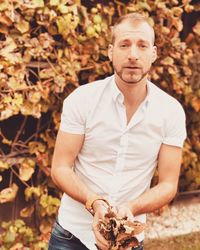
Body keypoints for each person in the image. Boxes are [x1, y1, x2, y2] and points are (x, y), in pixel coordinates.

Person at [48, 13, 187, 250]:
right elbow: (60, 168)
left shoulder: (171, 112)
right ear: (111, 52)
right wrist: (95, 202)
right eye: (124, 45)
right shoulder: (82, 100)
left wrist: (131, 208)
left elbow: (168, 185)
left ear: (153, 53)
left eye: (142, 45)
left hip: (128, 240)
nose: (133, 54)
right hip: (71, 236)